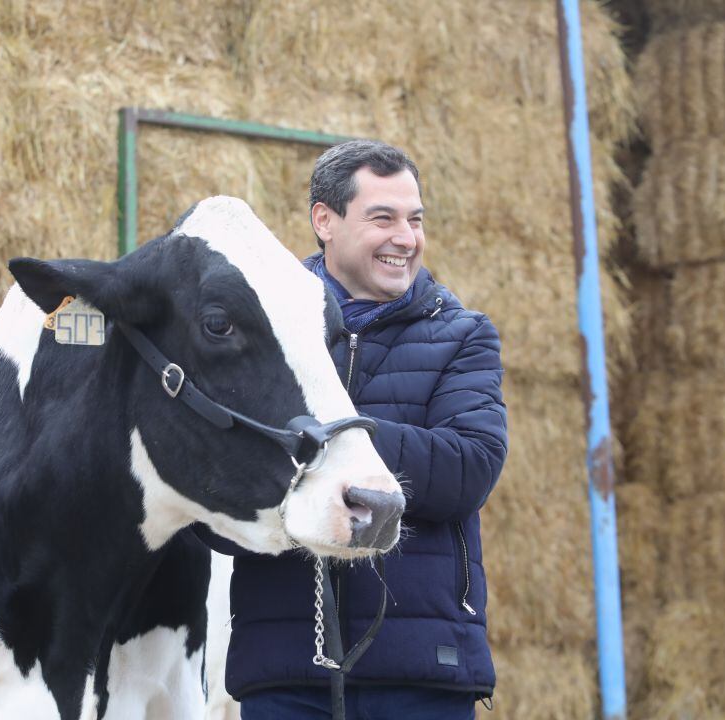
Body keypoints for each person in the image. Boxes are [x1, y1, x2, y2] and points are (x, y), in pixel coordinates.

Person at [208, 140, 508, 719]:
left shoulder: (463, 335)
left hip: (422, 674)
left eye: (415, 220)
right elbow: (218, 489)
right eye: (383, 218)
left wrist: (335, 437)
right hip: (284, 672)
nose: (406, 238)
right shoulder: (258, 334)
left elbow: (468, 468)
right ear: (324, 220)